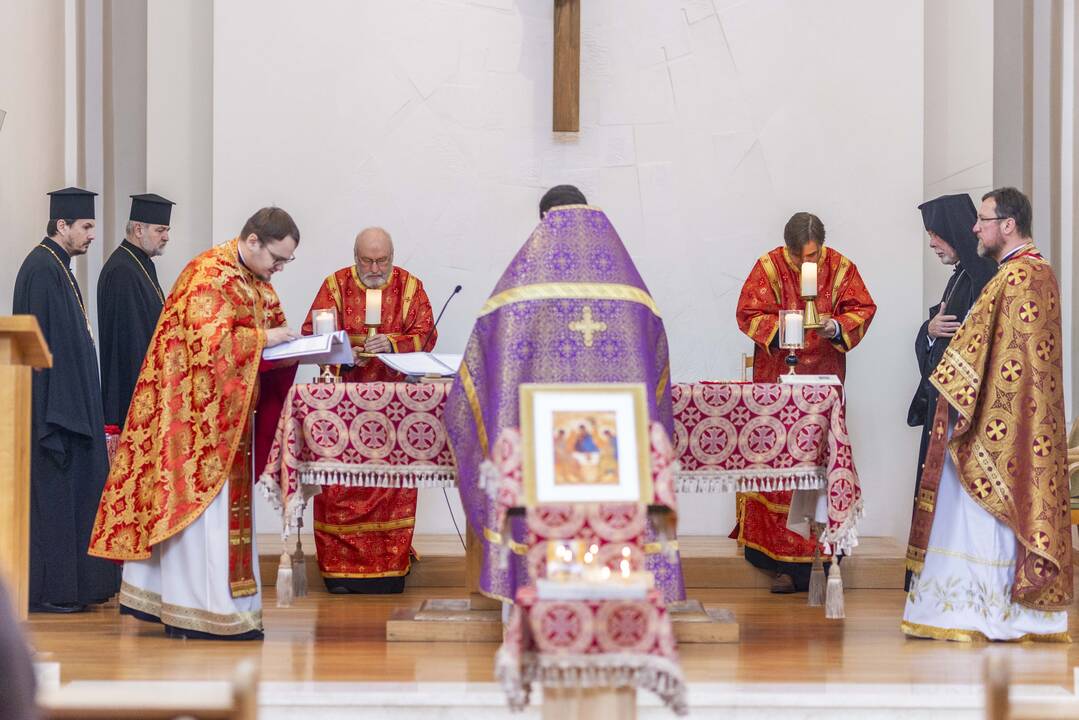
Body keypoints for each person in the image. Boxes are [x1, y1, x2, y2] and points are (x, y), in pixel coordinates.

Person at [445, 185, 685, 604]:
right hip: (615, 446)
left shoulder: (519, 293)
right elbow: (658, 376)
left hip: (544, 442)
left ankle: (539, 593)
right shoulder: (632, 291)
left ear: (544, 221)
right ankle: (620, 604)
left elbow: (482, 369)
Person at [88, 207, 301, 640]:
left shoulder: (257, 282)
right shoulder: (208, 273)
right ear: (253, 240)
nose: (279, 268)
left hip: (232, 418)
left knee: (222, 518)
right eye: (277, 258)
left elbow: (270, 330)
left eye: (286, 262)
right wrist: (264, 339)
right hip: (191, 424)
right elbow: (209, 345)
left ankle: (213, 605)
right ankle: (197, 610)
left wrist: (296, 343)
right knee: (200, 518)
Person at [903, 187, 1071, 641]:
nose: (975, 227)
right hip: (1005, 419)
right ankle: (984, 611)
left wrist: (956, 392)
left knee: (976, 512)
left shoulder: (1020, 278)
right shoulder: (1024, 274)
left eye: (984, 219)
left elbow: (998, 360)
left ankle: (981, 612)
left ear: (1008, 224)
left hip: (996, 426)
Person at [733, 211, 877, 593]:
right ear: (788, 250)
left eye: (812, 257)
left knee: (819, 465)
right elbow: (747, 312)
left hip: (824, 381)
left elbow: (862, 308)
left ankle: (825, 557)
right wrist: (783, 328)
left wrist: (836, 326)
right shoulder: (768, 266)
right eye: (799, 259)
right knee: (780, 465)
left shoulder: (842, 268)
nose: (805, 266)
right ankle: (779, 561)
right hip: (778, 379)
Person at [300, 226, 435, 594]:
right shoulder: (336, 285)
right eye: (367, 260)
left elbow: (426, 333)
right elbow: (312, 333)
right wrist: (344, 352)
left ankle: (390, 568)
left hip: (394, 408)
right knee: (341, 489)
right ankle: (338, 570)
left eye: (383, 260)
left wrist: (393, 342)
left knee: (390, 486)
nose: (375, 267)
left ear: (392, 256)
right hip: (344, 406)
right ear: (354, 255)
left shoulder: (409, 287)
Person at [13, 187, 120, 613]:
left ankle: (77, 589)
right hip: (55, 417)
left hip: (73, 410)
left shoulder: (60, 267)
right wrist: (60, 416)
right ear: (63, 226)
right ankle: (56, 592)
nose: (92, 235)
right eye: (86, 227)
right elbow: (45, 351)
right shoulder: (42, 269)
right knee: (56, 504)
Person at [904, 194, 996, 590]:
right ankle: (928, 579)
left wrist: (934, 333)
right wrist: (928, 331)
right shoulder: (961, 274)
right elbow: (938, 329)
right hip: (943, 403)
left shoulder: (981, 276)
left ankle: (946, 580)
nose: (932, 244)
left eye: (935, 235)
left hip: (961, 411)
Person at [98, 193, 174, 429]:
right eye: (160, 230)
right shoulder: (123, 271)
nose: (166, 237)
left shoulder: (140, 264)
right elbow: (129, 345)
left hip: (148, 390)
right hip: (133, 396)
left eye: (167, 230)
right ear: (139, 229)